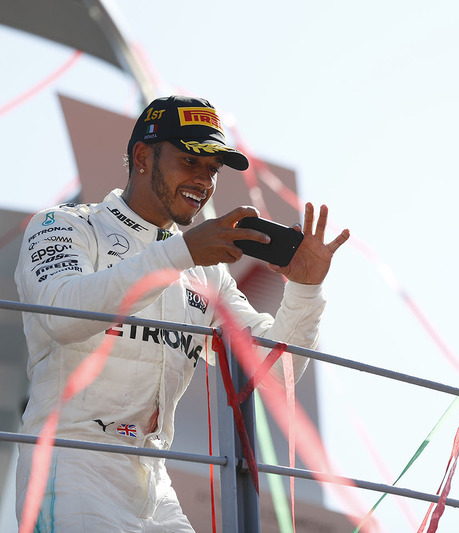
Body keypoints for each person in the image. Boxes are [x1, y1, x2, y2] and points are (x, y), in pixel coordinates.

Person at [13, 95, 349, 531]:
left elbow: (270, 374)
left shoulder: (205, 272)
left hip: (155, 484)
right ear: (141, 156)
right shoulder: (64, 226)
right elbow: (60, 316)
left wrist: (305, 290)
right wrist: (180, 252)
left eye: (212, 169)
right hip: (70, 461)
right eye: (191, 161)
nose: (204, 180)